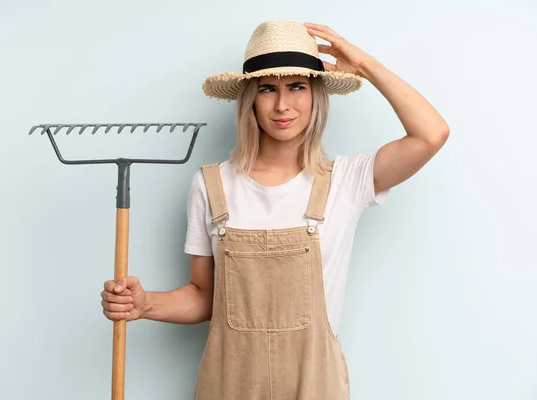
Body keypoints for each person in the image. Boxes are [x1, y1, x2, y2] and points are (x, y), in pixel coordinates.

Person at [100, 20, 449, 399]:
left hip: (314, 384)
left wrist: (365, 66)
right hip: (229, 385)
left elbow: (432, 134)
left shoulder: (347, 181)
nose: (282, 105)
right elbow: (205, 297)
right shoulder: (212, 185)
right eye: (268, 89)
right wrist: (144, 302)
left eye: (297, 87)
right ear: (250, 98)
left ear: (316, 94)